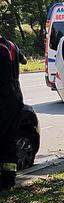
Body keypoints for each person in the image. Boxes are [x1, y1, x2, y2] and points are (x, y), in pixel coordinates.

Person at [0, 33, 24, 191]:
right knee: (9, 140)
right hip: (15, 98)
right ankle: (9, 180)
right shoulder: (11, 46)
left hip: (2, 99)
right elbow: (24, 60)